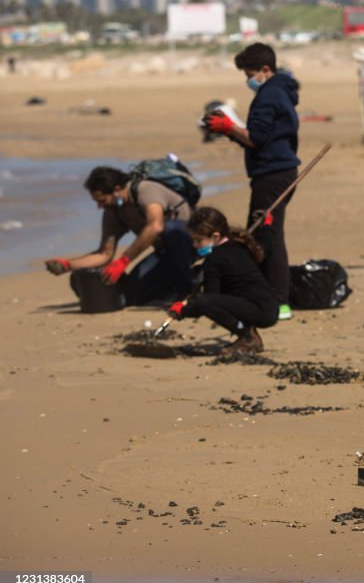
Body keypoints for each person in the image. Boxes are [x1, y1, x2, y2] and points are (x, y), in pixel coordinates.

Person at [203, 42, 300, 321]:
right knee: (263, 234)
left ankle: (279, 302)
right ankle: (268, 295)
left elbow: (257, 138)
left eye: (249, 74)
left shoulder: (271, 94)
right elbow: (261, 138)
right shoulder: (280, 90)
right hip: (276, 171)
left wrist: (228, 127)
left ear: (265, 70)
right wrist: (231, 132)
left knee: (266, 235)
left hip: (273, 174)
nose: (247, 80)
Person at [45, 166, 195, 306]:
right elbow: (104, 254)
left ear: (117, 189)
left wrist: (123, 261)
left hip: (192, 243)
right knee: (132, 294)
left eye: (102, 200)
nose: (100, 206)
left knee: (169, 228)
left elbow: (156, 226)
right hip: (164, 253)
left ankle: (189, 285)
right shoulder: (113, 212)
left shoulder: (145, 191)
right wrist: (68, 265)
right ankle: (171, 285)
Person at [168, 207, 279, 356]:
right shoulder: (240, 244)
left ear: (215, 236)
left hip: (259, 311)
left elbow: (209, 300)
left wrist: (183, 311)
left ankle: (246, 336)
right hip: (270, 306)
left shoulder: (215, 259)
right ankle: (248, 333)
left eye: (198, 240)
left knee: (206, 301)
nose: (195, 245)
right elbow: (267, 244)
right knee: (222, 295)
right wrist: (267, 225)